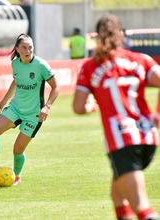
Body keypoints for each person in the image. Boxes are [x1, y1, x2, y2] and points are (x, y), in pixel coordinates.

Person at [73, 14, 159, 220]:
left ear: (97, 36)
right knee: (118, 197)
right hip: (148, 136)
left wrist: (90, 107)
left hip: (122, 141)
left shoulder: (90, 66)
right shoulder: (141, 59)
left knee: (141, 207)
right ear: (121, 35)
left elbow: (78, 107)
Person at [0, 33, 60, 186]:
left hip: (34, 115)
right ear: (17, 49)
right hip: (15, 108)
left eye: (30, 47)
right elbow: (16, 81)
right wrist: (4, 100)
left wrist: (47, 106)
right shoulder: (15, 64)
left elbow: (56, 87)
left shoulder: (41, 65)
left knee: (17, 149)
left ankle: (16, 177)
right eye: (24, 48)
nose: (28, 50)